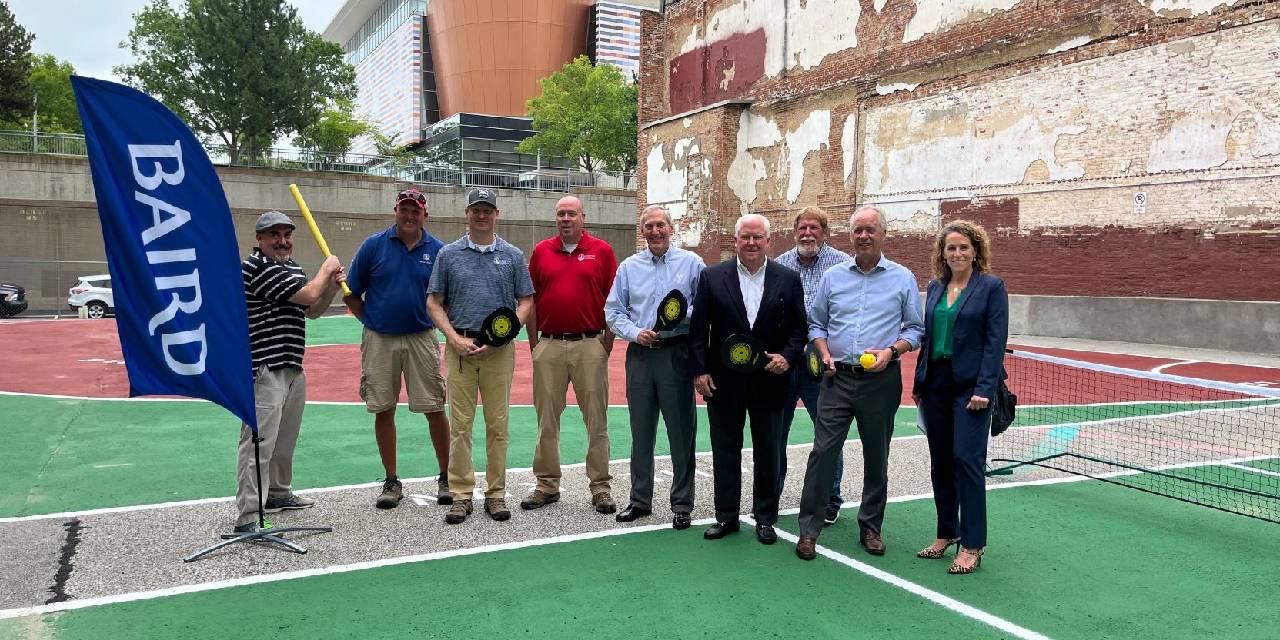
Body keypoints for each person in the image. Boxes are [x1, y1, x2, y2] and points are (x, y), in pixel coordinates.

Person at [794, 206, 924, 561]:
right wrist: (821, 351)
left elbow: (915, 330)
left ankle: (871, 526)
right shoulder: (833, 277)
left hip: (880, 381)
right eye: (857, 231)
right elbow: (816, 324)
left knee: (876, 455)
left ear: (883, 234)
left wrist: (891, 351)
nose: (863, 236)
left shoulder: (902, 278)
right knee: (822, 453)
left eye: (870, 230)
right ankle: (809, 530)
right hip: (836, 380)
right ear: (850, 236)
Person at [689, 213, 807, 545]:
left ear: (768, 241)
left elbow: (799, 330)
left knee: (768, 450)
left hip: (770, 379)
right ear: (736, 241)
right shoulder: (712, 277)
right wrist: (699, 371)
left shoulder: (788, 278)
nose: (751, 243)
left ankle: (765, 518)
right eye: (745, 237)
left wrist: (787, 356)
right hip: (723, 382)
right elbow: (698, 332)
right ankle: (726, 516)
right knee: (725, 448)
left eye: (758, 237)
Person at [427, 187, 534, 525]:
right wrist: (453, 338)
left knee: (498, 425)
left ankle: (496, 494)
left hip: (499, 353)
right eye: (476, 209)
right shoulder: (449, 255)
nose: (482, 215)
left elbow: (527, 302)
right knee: (460, 426)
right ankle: (461, 495)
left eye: (488, 209)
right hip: (461, 349)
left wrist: (504, 335)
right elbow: (434, 302)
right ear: (467, 213)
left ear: (496, 214)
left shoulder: (513, 256)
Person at [235, 210, 344, 533]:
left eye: (287, 235)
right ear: (260, 239)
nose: (282, 241)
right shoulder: (257, 267)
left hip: (291, 363)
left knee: (284, 439)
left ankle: (278, 493)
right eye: (274, 235)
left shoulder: (290, 268)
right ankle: (248, 516)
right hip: (264, 367)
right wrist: (325, 271)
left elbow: (312, 310)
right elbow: (308, 294)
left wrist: (332, 289)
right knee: (258, 442)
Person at [343, 188, 451, 510]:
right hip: (380, 339)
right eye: (404, 209)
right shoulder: (373, 246)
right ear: (395, 211)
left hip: (422, 337)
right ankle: (391, 481)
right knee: (383, 407)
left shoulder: (439, 251)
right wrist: (372, 319)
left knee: (434, 407)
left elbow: (447, 297)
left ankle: (446, 476)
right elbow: (352, 292)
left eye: (415, 211)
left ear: (424, 216)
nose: (409, 216)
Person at [912, 220, 1008, 574]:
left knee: (966, 460)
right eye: (951, 248)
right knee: (941, 463)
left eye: (963, 247)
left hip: (971, 390)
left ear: (976, 251)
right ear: (943, 253)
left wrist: (984, 389)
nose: (957, 254)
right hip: (936, 386)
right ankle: (946, 533)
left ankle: (972, 544)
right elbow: (927, 337)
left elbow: (995, 343)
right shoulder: (937, 288)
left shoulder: (991, 288)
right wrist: (920, 383)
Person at [604, 205, 705, 529]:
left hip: (676, 353)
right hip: (641, 355)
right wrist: (636, 333)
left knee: (681, 432)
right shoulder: (629, 268)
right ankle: (640, 500)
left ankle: (682, 504)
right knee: (641, 432)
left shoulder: (692, 264)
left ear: (671, 228)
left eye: (661, 225)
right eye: (649, 226)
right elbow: (613, 312)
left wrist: (679, 318)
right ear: (643, 231)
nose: (655, 231)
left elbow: (705, 308)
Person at [524, 195, 619, 514]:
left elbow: (614, 299)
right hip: (549, 346)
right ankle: (547, 485)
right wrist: (534, 343)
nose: (566, 219)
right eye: (561, 214)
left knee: (596, 419)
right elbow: (530, 298)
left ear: (583, 218)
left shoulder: (602, 251)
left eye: (571, 214)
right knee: (547, 419)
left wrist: (606, 342)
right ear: (556, 219)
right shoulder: (541, 251)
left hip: (590, 344)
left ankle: (600, 486)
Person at [773, 206, 851, 523]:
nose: (808, 233)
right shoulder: (778, 266)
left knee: (828, 433)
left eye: (814, 227)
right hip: (786, 362)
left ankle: (830, 497)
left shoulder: (843, 265)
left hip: (823, 363)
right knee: (775, 432)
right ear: (795, 231)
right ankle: (771, 494)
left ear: (825, 232)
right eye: (803, 227)